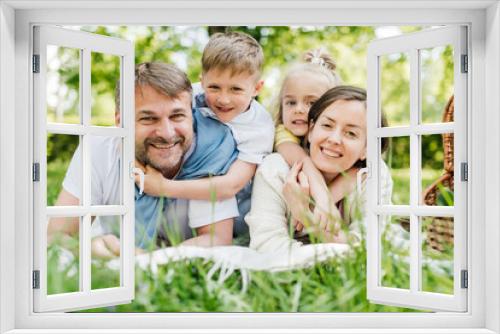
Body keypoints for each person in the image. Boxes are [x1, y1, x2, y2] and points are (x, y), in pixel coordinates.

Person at [48, 62, 242, 257]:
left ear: (192, 117)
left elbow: (216, 239)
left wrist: (145, 260)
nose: (167, 133)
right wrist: (89, 249)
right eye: (148, 119)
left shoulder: (212, 149)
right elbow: (55, 236)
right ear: (120, 122)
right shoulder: (99, 150)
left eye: (177, 116)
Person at [138, 31, 275, 236]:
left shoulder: (259, 127)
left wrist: (162, 187)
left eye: (236, 89)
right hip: (183, 191)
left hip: (233, 203)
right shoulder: (190, 97)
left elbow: (231, 186)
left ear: (256, 88)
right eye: (214, 87)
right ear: (202, 81)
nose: (223, 99)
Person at [245, 86, 393, 253]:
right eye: (327, 125)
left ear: (367, 149)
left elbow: (368, 249)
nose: (334, 139)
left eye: (351, 133)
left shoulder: (373, 175)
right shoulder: (275, 169)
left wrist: (307, 218)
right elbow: (266, 247)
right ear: (311, 130)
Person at [272, 49, 357, 231]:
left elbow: (358, 172)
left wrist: (324, 203)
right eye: (291, 102)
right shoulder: (283, 133)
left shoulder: (338, 139)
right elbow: (304, 162)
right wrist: (322, 199)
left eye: (311, 103)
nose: (299, 109)